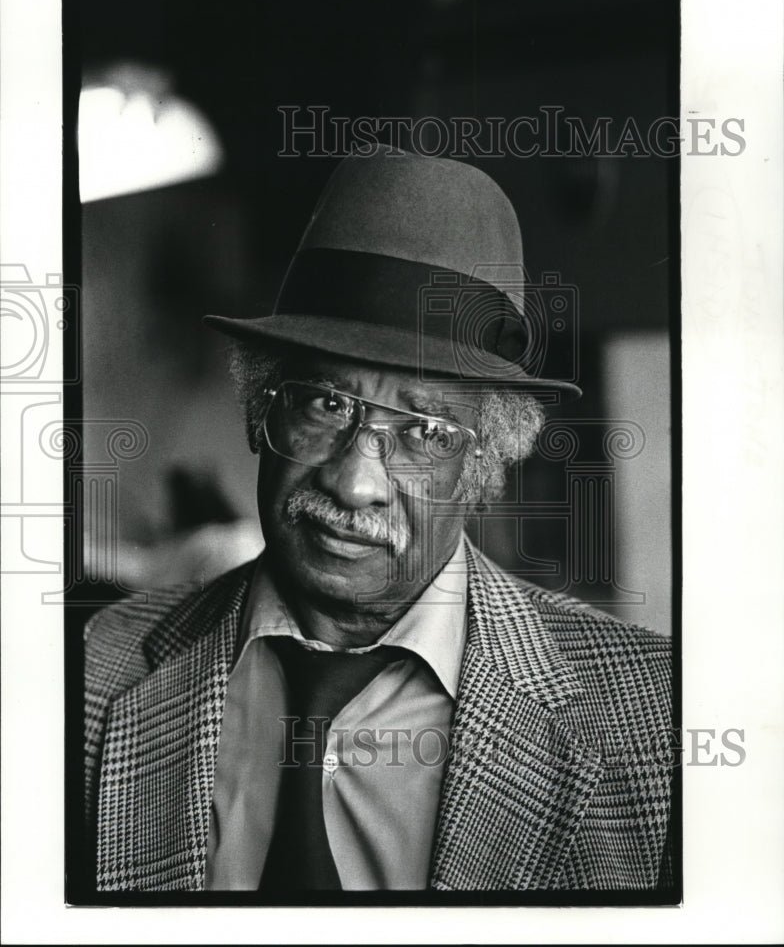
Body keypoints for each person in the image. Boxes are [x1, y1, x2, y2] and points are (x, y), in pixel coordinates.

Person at [84, 147, 673, 893]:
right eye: (325, 404)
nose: (355, 482)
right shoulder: (92, 675)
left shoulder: (655, 722)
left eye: (424, 431)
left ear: (484, 466)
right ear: (262, 410)